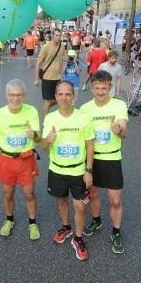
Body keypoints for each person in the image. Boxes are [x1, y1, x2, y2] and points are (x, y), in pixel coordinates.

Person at [41, 81, 94, 260]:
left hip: (78, 170)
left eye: (67, 94)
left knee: (80, 206)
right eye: (60, 94)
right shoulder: (50, 118)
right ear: (55, 97)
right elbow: (43, 147)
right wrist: (48, 139)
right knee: (62, 201)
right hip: (57, 170)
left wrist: (89, 170)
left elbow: (89, 145)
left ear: (73, 96)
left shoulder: (84, 118)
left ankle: (78, 238)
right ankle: (66, 227)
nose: (64, 98)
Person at [80, 70, 128, 254]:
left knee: (115, 200)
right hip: (91, 159)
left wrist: (118, 129)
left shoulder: (119, 105)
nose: (100, 92)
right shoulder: (85, 109)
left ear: (110, 86)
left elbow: (124, 131)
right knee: (92, 194)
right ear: (92, 88)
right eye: (97, 88)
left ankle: (116, 232)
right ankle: (96, 220)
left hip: (112, 158)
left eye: (104, 88)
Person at [0, 79, 41, 240]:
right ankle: (9, 220)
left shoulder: (31, 111)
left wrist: (34, 135)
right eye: (12, 95)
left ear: (24, 95)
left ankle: (32, 222)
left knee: (29, 193)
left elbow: (39, 139)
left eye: (19, 95)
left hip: (26, 159)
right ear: (7, 95)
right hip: (6, 160)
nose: (15, 98)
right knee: (7, 193)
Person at [35, 28, 65, 116]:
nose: (58, 37)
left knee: (59, 99)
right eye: (56, 35)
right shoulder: (46, 47)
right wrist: (36, 79)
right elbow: (38, 63)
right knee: (48, 100)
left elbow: (62, 58)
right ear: (52, 36)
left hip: (58, 77)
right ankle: (45, 122)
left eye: (59, 35)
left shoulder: (62, 46)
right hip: (47, 78)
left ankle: (45, 108)